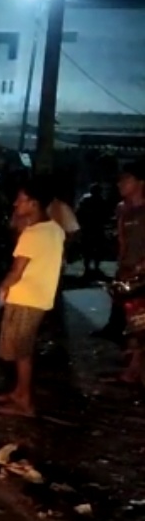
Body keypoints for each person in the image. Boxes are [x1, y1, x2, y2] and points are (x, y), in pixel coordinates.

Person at [0, 181, 65, 417]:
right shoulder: (55, 229)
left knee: (21, 351)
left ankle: (25, 402)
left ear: (34, 204)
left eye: (21, 200)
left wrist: (2, 287)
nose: (16, 204)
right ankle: (19, 392)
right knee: (23, 349)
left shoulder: (32, 234)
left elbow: (16, 271)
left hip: (25, 298)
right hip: (39, 297)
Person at [114, 161, 145, 383]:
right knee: (134, 323)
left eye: (126, 179)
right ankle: (134, 369)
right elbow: (122, 243)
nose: (120, 184)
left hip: (142, 276)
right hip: (128, 275)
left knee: (141, 322)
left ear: (140, 182)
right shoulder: (123, 211)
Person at [76, 183, 109, 278]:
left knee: (91, 249)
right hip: (93, 227)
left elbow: (79, 212)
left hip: (92, 227)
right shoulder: (97, 200)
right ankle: (91, 268)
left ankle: (90, 268)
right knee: (92, 248)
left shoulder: (89, 200)